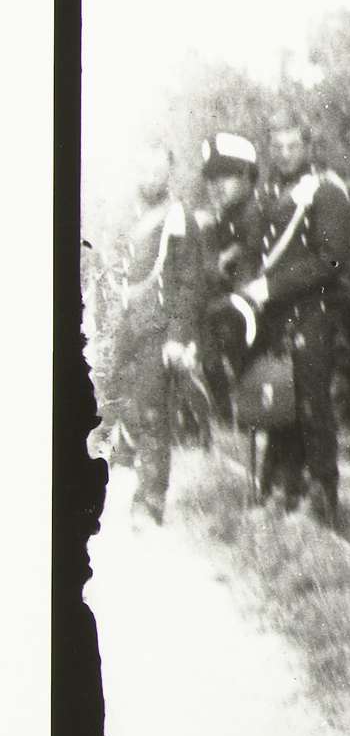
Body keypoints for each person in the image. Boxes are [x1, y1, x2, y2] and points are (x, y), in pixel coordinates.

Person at [220, 112, 350, 523]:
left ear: (308, 147)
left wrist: (271, 287)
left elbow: (331, 260)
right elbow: (254, 251)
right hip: (272, 318)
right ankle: (283, 489)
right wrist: (246, 286)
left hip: (312, 314)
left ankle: (322, 498)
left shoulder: (326, 193)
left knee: (313, 405)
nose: (285, 154)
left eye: (293, 146)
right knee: (279, 405)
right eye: (278, 147)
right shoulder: (267, 195)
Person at [91, 142, 203, 523]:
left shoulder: (179, 217)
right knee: (114, 404)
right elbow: (107, 271)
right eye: (144, 169)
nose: (151, 178)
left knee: (154, 413)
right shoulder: (121, 214)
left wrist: (178, 336)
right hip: (122, 327)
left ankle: (150, 500)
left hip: (158, 327)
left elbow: (190, 283)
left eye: (158, 170)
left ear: (168, 173)